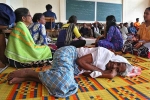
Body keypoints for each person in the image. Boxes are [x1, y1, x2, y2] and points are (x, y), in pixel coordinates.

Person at [7, 46, 141, 97]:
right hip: (69, 54)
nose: (114, 66)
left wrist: (106, 73)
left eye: (117, 69)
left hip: (72, 67)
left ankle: (30, 78)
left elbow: (87, 73)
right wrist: (103, 72)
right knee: (64, 80)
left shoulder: (108, 68)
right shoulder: (105, 54)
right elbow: (81, 62)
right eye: (118, 63)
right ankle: (28, 73)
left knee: (67, 86)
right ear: (118, 58)